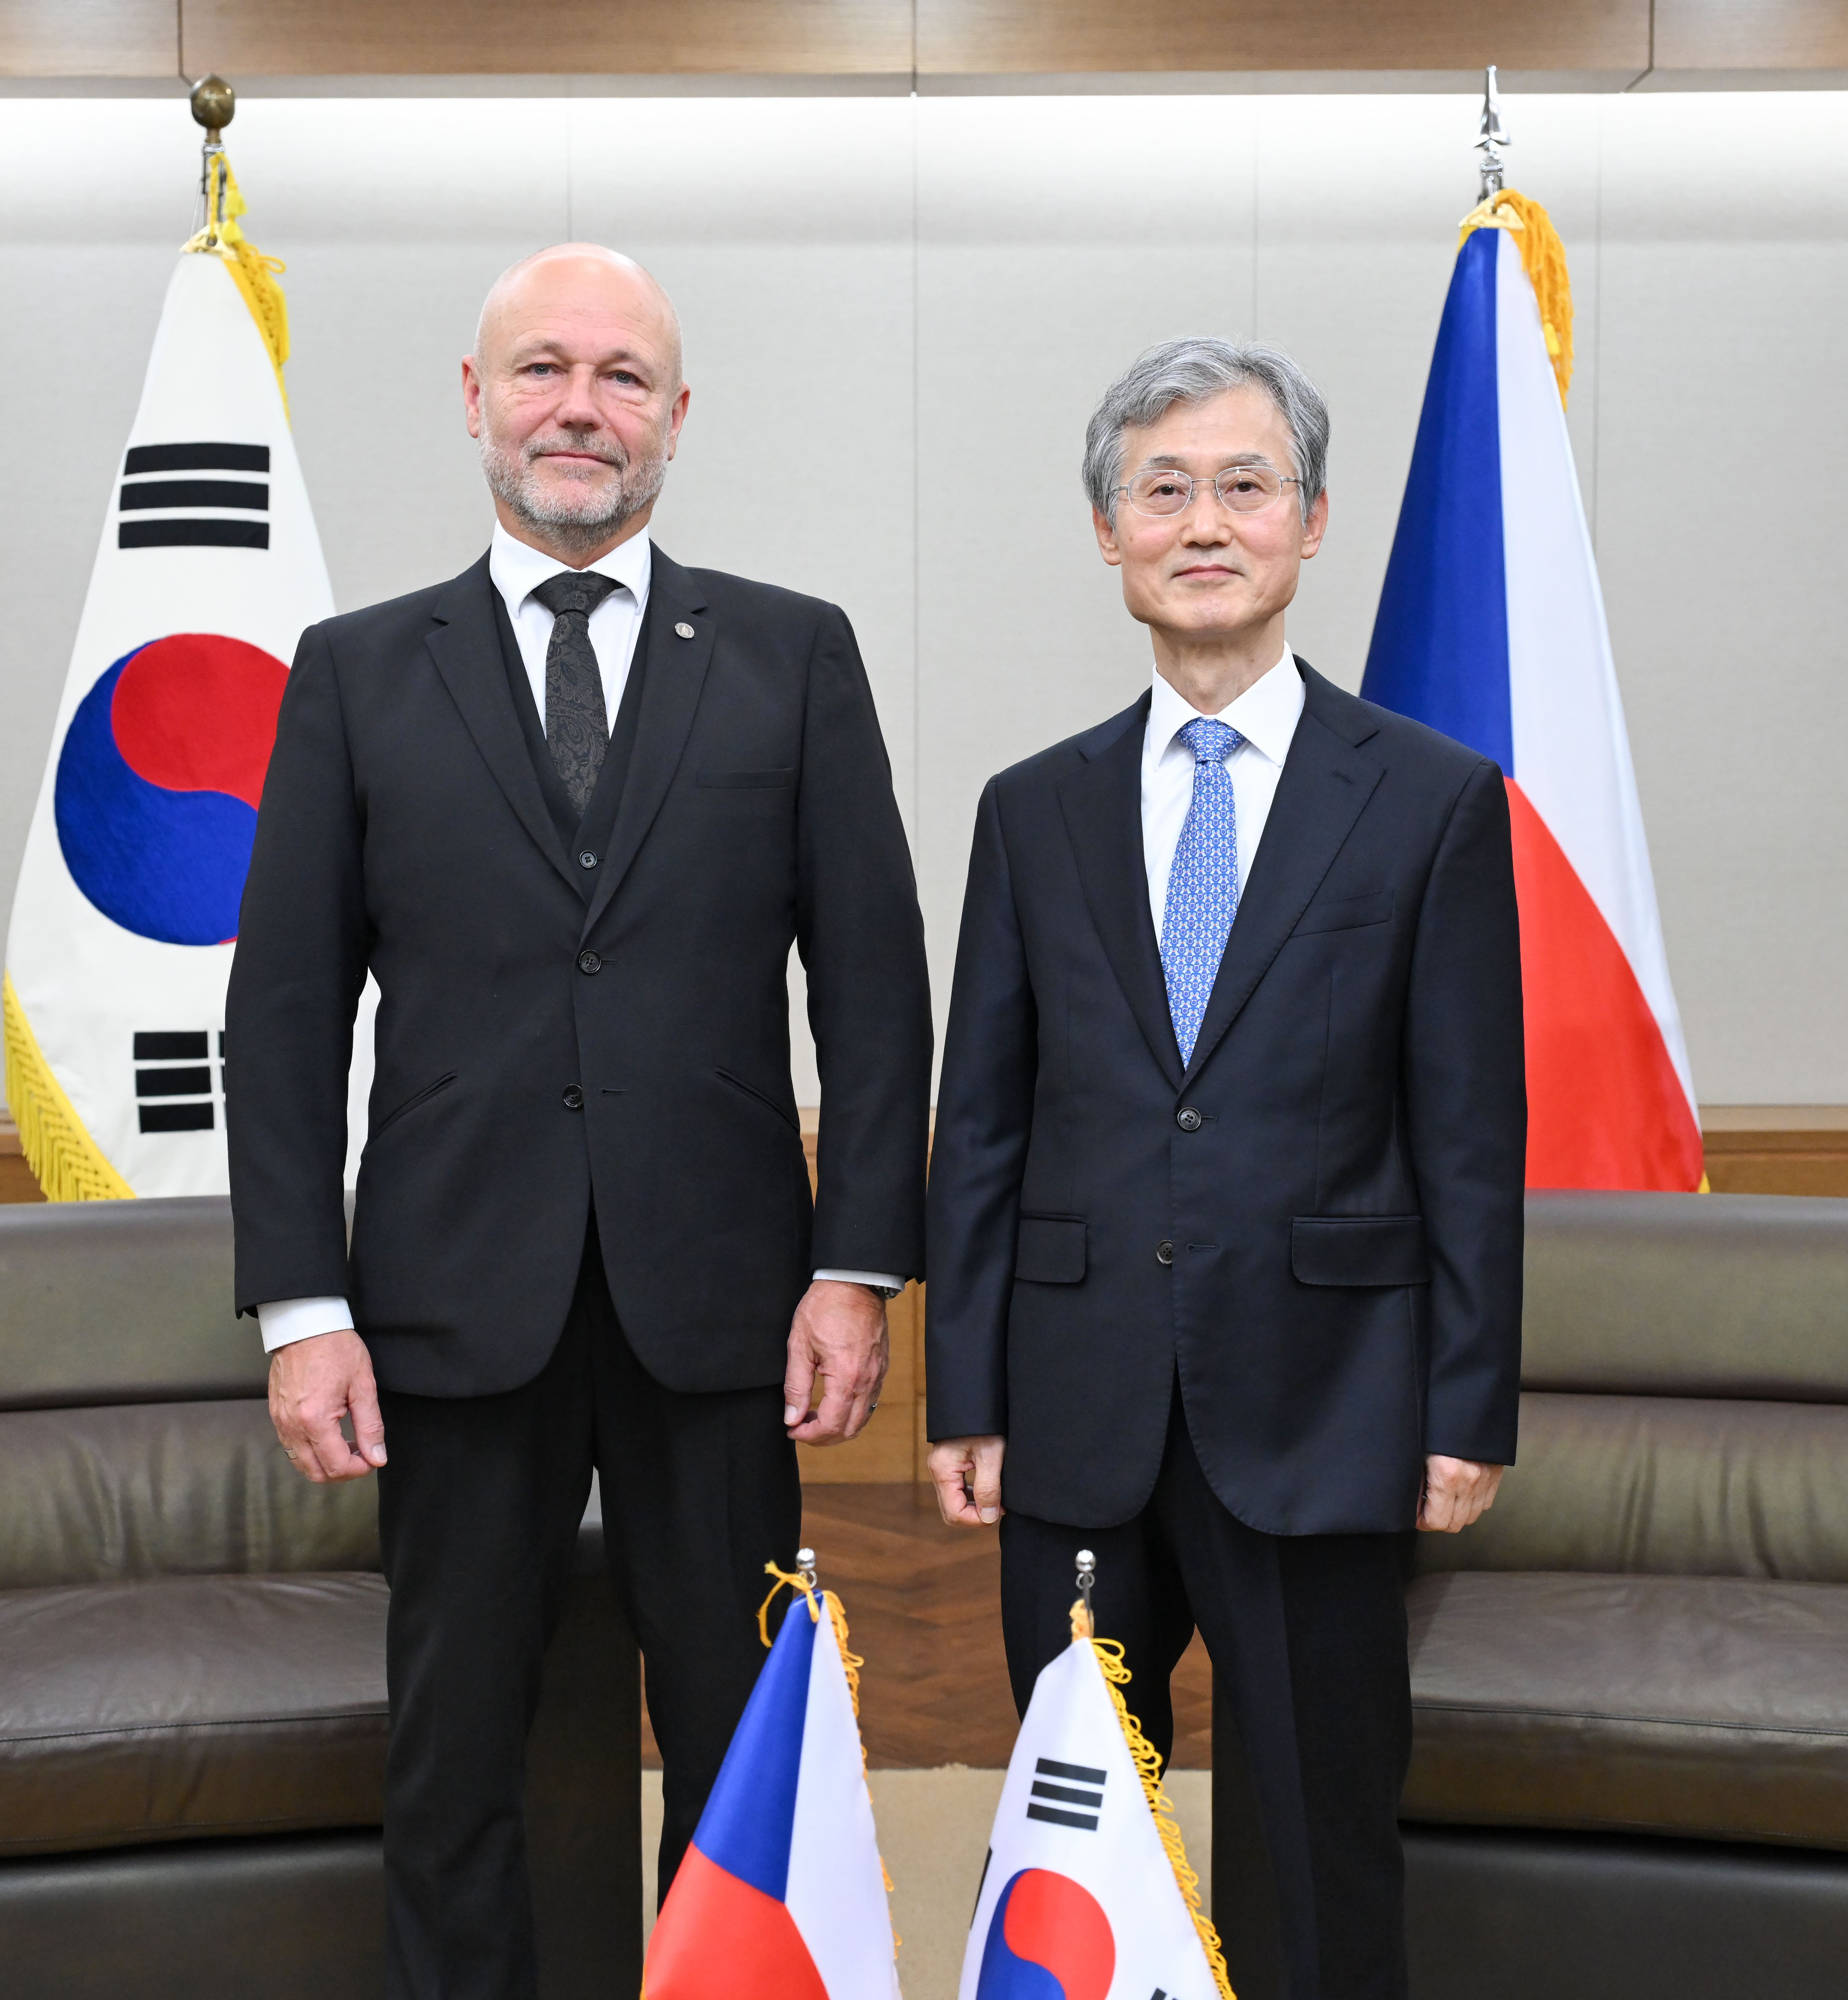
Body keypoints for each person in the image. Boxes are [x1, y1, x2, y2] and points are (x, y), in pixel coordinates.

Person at [224, 243, 930, 2000]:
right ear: (474, 401)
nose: (579, 407)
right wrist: (303, 1310)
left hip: (723, 1310)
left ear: (677, 418)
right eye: (542, 369)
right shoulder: (357, 670)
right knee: (457, 1752)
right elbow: (287, 1015)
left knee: (733, 1745)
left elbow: (876, 988)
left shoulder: (791, 653)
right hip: (450, 1309)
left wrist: (858, 1267)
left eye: (622, 376)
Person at [922, 337, 1526, 1999]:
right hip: (1076, 1402)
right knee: (1071, 1836)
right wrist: (963, 1388)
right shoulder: (1029, 809)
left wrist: (1466, 1405)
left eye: (1244, 486)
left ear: (1313, 522)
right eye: (1163, 489)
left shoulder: (1430, 802)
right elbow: (981, 1118)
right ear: (1109, 533)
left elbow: (1472, 1135)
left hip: (1328, 1402)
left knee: (1319, 1834)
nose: (1206, 521)